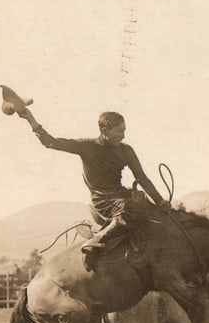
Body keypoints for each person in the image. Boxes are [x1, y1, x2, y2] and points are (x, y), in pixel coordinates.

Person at [21, 108, 172, 270]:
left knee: (150, 210)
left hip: (120, 194)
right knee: (133, 210)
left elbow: (141, 178)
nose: (123, 135)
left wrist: (160, 201)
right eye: (118, 131)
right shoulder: (87, 146)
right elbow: (50, 142)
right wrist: (31, 119)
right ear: (104, 130)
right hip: (103, 198)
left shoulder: (126, 150)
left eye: (124, 131)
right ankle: (94, 244)